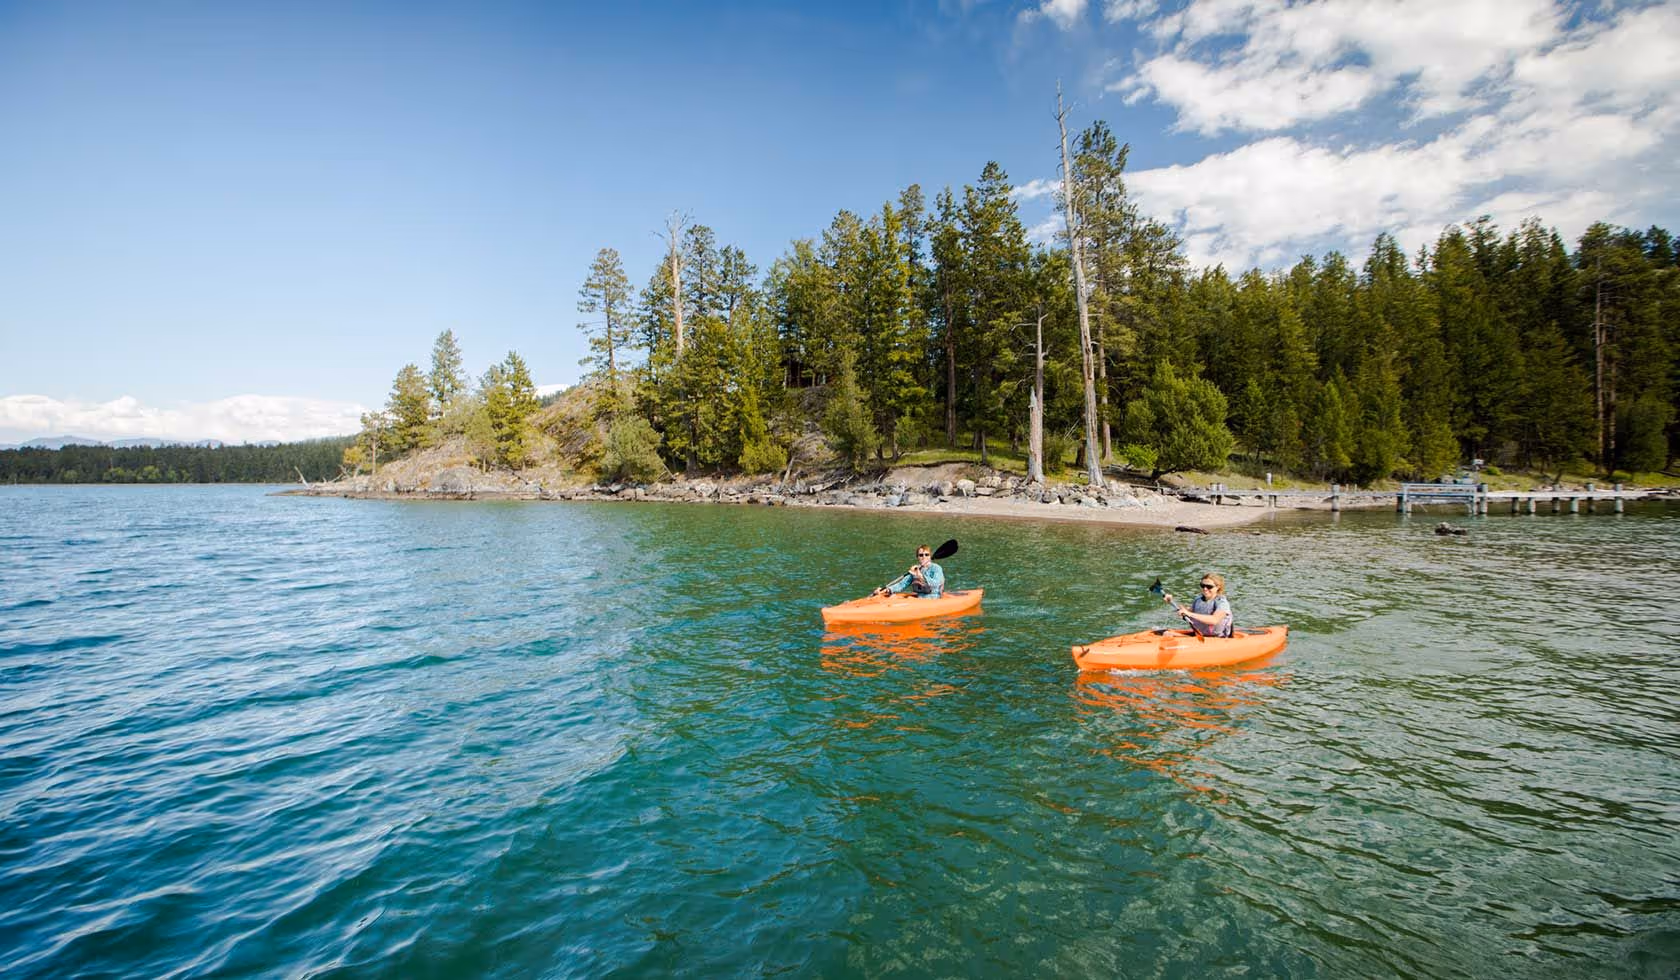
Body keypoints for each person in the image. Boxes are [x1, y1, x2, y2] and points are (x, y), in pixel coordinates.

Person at [1163, 573, 1234, 637]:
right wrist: (1171, 601)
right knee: (1166, 633)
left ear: (1218, 587)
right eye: (1202, 586)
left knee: (1168, 635)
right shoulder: (1198, 599)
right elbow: (1186, 612)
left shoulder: (1222, 602)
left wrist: (1189, 613)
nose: (1205, 589)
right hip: (1200, 635)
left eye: (1209, 586)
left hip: (1218, 639)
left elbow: (1214, 620)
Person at [873, 544, 945, 599]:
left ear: (930, 556)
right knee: (892, 596)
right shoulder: (916, 569)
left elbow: (936, 584)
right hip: (919, 597)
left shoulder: (936, 568)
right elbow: (902, 584)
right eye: (921, 555)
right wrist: (885, 590)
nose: (924, 557)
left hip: (933, 598)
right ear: (917, 557)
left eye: (926, 554)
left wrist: (921, 577)